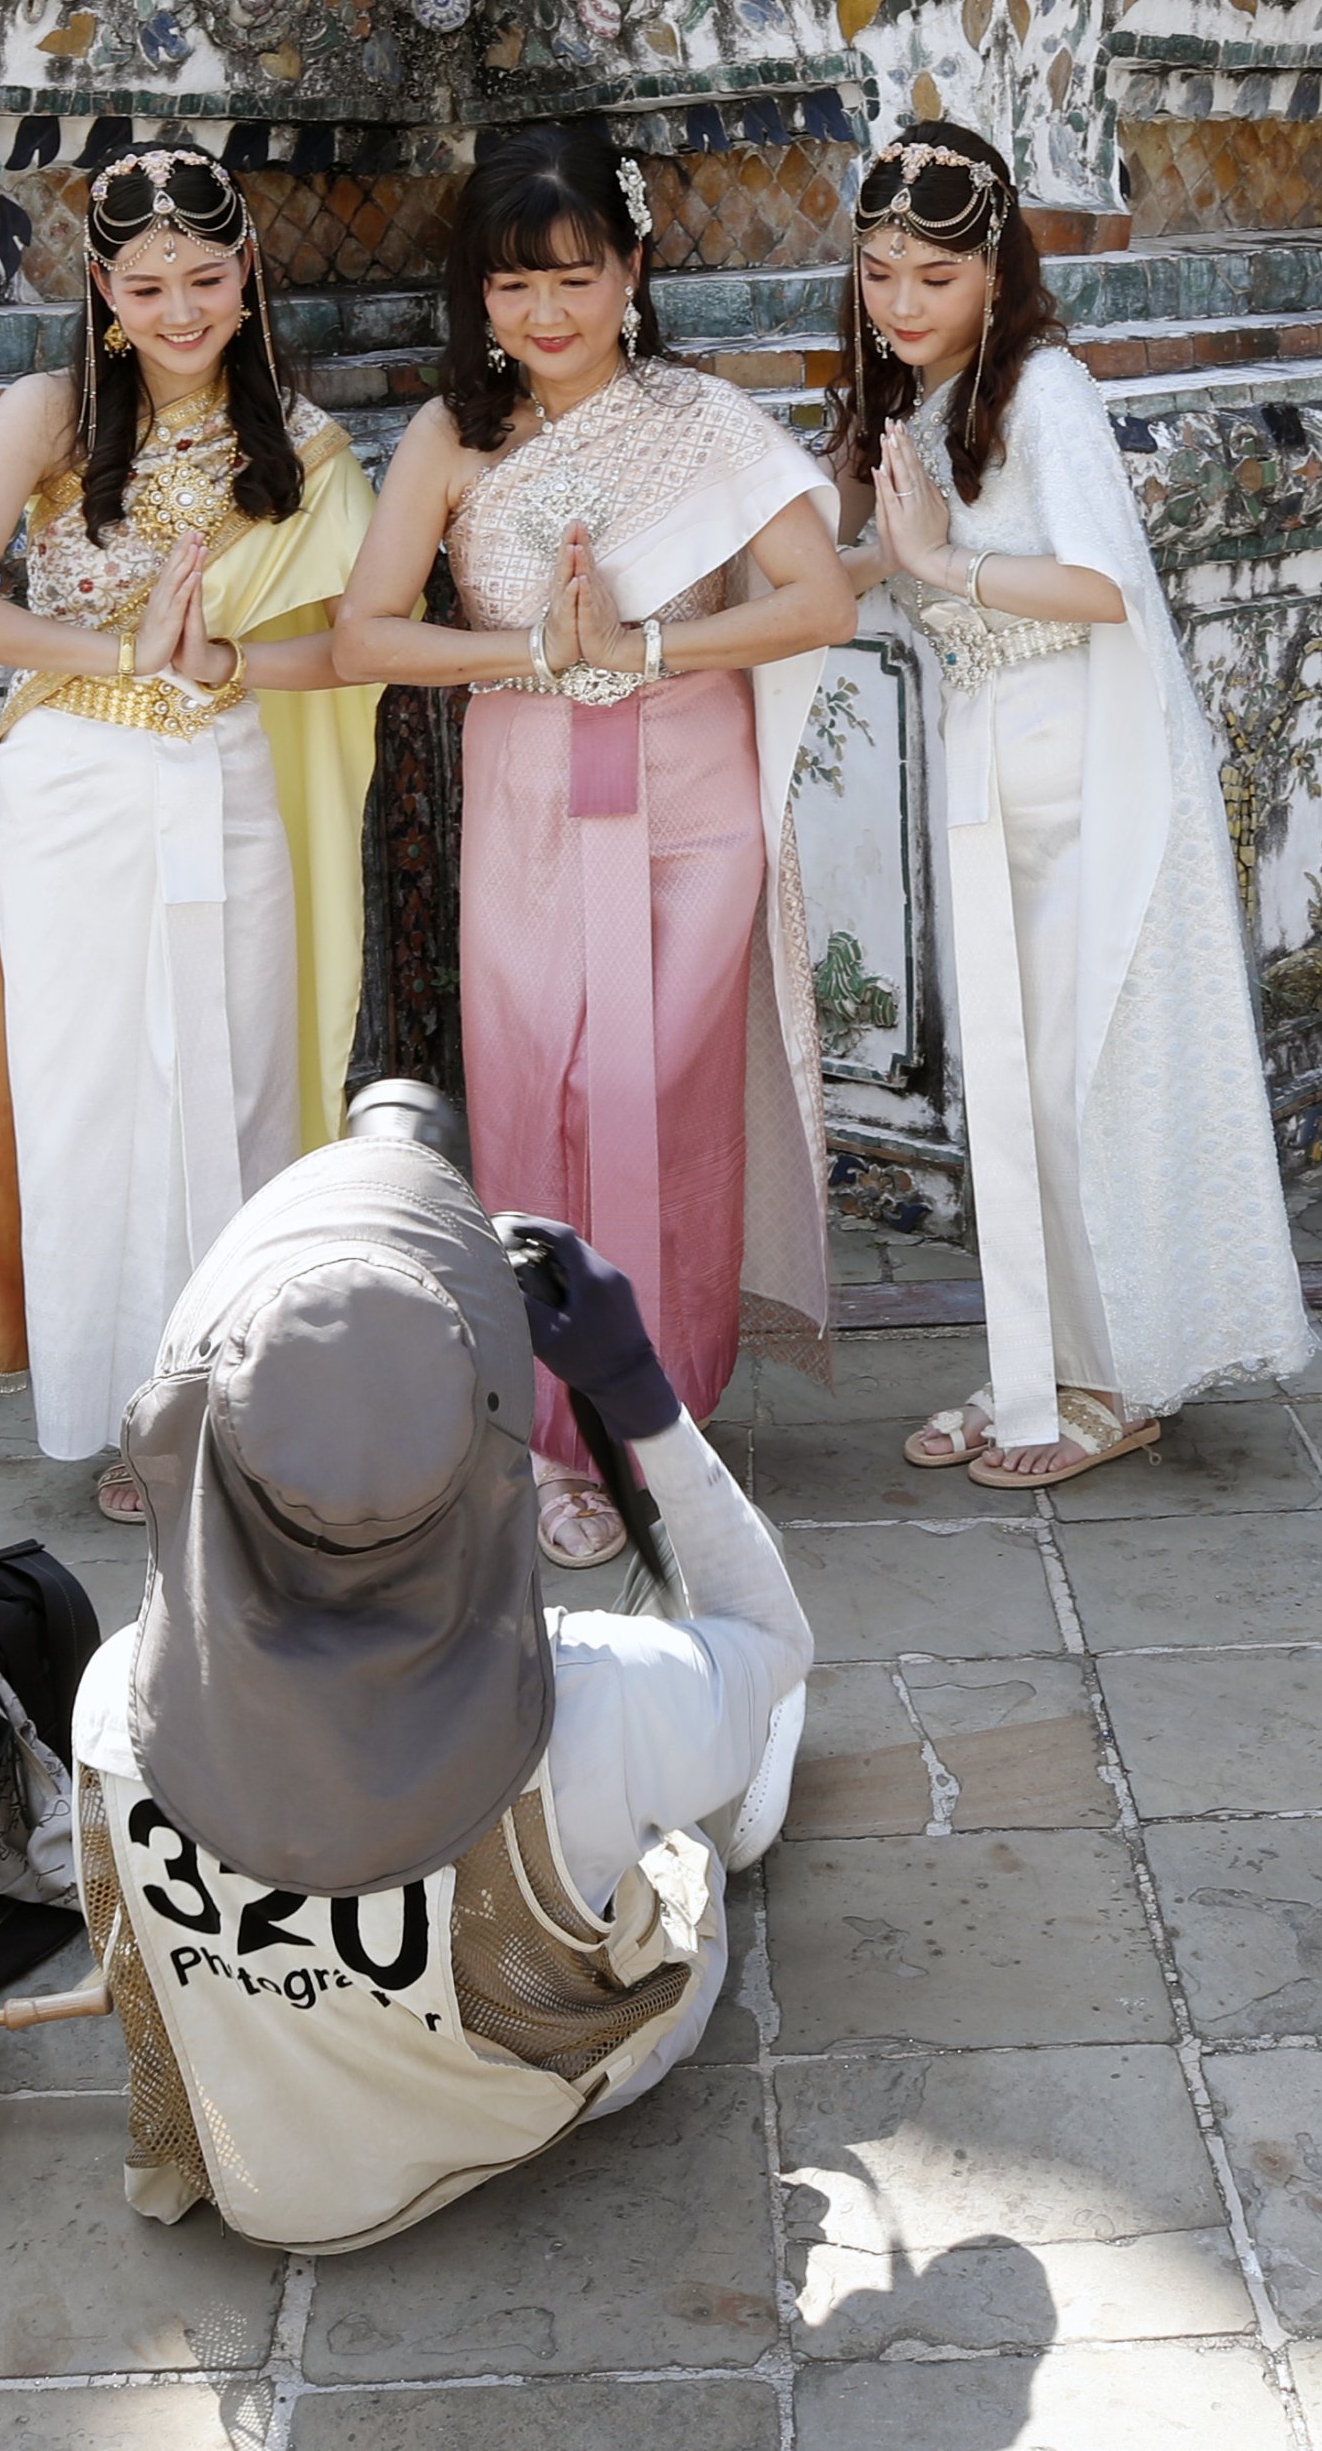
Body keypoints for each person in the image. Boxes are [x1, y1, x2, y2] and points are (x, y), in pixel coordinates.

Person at [69, 1081, 812, 2253]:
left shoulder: (120, 1696)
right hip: (516, 2104)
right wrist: (638, 1399)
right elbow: (777, 1641)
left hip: (259, 2161)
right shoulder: (589, 1698)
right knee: (709, 1793)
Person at [333, 122, 855, 1572]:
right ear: (476, 296)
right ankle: (556, 1439)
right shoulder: (450, 436)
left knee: (653, 1092)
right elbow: (369, 629)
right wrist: (529, 653)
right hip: (520, 791)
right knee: (533, 1088)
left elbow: (818, 603)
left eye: (572, 278)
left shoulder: (699, 416)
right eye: (510, 286)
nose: (543, 315)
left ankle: (659, 1414)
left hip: (687, 794)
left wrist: (639, 644)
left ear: (633, 269)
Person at [825, 123, 1315, 1485]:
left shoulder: (1045, 389)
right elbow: (884, 557)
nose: (902, 304)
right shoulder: (924, 402)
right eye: (876, 275)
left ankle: (1118, 1378)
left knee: (1078, 1087)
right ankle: (1035, 1363)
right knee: (1010, 1086)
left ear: (994, 269)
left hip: (1091, 775)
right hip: (993, 764)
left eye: (931, 276)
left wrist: (935, 565)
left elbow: (1101, 585)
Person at [0, 147, 379, 1518]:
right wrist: (117, 647)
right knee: (94, 1096)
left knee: (235, 1071)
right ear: (105, 291)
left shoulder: (302, 440)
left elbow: (355, 651)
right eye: (150, 284)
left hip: (229, 770)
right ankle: (133, 1413)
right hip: (78, 783)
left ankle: (244, 1397)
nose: (183, 312)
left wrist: (218, 663)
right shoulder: (47, 413)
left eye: (207, 279)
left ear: (246, 278)